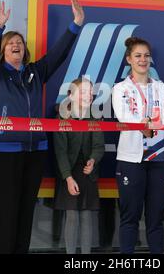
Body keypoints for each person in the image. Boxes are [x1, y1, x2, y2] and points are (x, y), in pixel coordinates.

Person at [0, 0, 84, 253]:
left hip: (35, 149)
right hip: (4, 151)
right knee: (8, 210)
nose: (16, 44)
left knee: (27, 210)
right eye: (10, 43)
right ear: (4, 51)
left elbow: (58, 55)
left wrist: (76, 24)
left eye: (19, 42)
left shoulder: (35, 72)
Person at [111, 36, 164, 254]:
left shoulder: (162, 88)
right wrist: (143, 125)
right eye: (138, 56)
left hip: (160, 160)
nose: (143, 60)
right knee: (130, 217)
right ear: (129, 59)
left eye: (146, 56)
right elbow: (124, 117)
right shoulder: (120, 88)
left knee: (156, 219)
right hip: (132, 159)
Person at [53, 77, 105, 254]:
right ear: (71, 95)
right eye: (83, 92)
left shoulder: (96, 116)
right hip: (68, 171)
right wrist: (68, 177)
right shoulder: (62, 116)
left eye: (90, 93)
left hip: (87, 170)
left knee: (86, 215)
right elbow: (60, 151)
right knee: (72, 215)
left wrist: (93, 161)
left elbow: (99, 146)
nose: (88, 96)